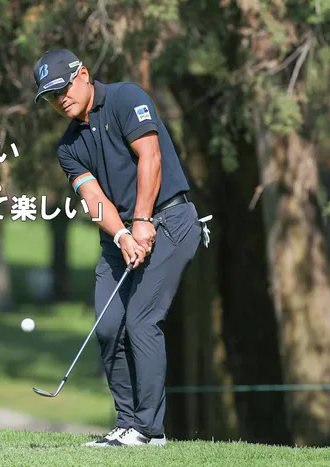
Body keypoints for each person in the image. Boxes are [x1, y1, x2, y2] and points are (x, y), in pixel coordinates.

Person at [33, 49, 210, 447]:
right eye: (51, 96)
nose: (60, 99)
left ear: (83, 74)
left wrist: (143, 220)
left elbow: (151, 157)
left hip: (171, 221)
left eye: (63, 88)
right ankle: (127, 422)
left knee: (142, 320)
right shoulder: (68, 148)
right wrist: (122, 236)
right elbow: (94, 199)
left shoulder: (126, 98)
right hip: (121, 236)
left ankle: (149, 430)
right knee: (109, 324)